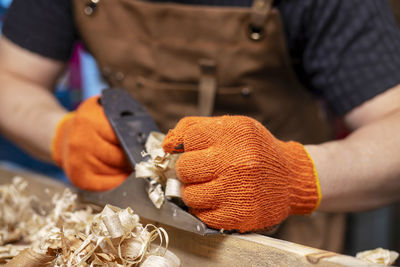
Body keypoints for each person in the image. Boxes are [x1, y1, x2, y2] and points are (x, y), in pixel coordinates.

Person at [0, 0, 399, 253]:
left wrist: (294, 174)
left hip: (281, 232)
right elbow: (10, 77)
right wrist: (60, 132)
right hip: (128, 233)